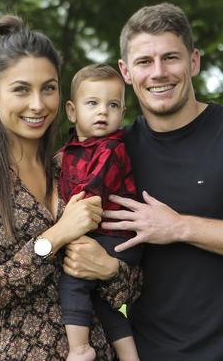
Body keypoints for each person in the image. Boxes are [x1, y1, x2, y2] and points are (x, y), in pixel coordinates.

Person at [62, 3, 223, 360]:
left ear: (194, 61)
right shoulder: (115, 153)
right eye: (144, 62)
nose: (158, 73)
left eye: (171, 58)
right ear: (126, 72)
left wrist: (179, 227)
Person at [0, 15, 139, 359]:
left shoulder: (71, 167)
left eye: (48, 88)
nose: (38, 104)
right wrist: (54, 237)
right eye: (22, 89)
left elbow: (133, 283)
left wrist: (110, 270)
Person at [58, 64, 142, 361]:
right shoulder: (73, 148)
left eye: (113, 105)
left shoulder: (111, 148)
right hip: (107, 236)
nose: (103, 112)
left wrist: (59, 221)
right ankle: (130, 356)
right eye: (92, 103)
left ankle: (80, 349)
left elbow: (89, 198)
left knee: (73, 279)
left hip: (113, 236)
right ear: (72, 110)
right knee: (101, 303)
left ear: (122, 112)